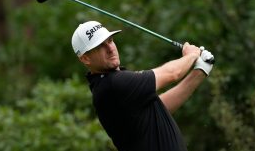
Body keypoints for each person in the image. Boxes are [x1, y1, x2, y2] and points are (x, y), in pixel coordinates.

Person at [71, 21, 214, 151]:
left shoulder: (110, 84)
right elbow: (172, 73)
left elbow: (159, 107)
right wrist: (191, 55)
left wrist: (199, 72)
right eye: (100, 46)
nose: (110, 48)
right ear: (85, 58)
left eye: (110, 40)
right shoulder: (113, 84)